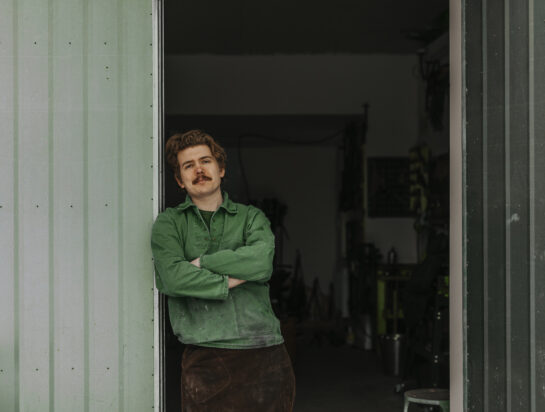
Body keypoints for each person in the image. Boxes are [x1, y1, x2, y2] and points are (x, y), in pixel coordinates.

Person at [151, 129, 296, 411]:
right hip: (206, 358)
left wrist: (203, 263)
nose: (199, 170)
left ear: (221, 169)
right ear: (180, 181)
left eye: (205, 161)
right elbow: (172, 278)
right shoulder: (169, 224)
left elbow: (261, 263)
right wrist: (231, 280)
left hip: (265, 352)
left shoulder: (251, 217)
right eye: (188, 165)